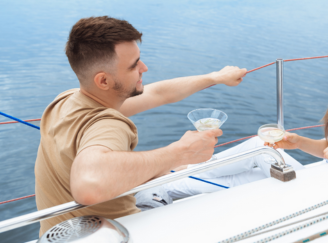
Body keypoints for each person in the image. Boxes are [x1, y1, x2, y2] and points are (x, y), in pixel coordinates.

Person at [139, 25, 328, 205]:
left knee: (247, 172)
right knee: (260, 150)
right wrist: (299, 143)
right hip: (322, 182)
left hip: (326, 196)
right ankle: (169, 182)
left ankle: (166, 181)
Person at [34, 16, 247, 235]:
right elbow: (88, 185)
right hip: (125, 233)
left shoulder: (65, 101)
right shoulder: (108, 124)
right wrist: (180, 153)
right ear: (104, 81)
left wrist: (215, 77)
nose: (144, 67)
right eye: (134, 65)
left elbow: (158, 93)